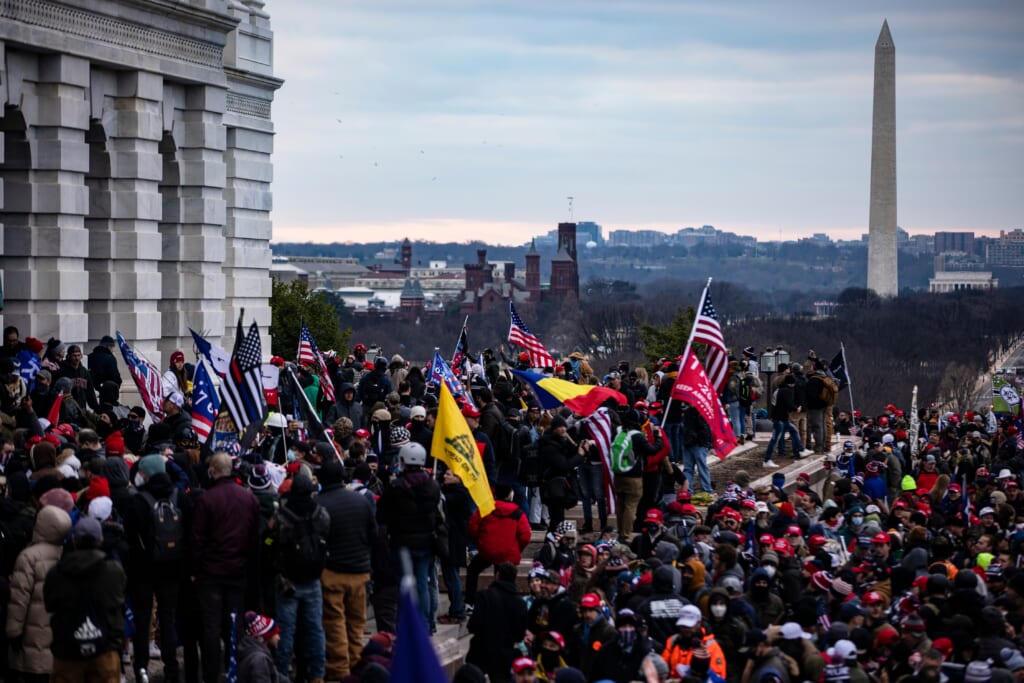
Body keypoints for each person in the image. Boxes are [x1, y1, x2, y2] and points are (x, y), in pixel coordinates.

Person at [190, 452, 261, 683]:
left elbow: (197, 539)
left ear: (213, 470)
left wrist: (195, 569)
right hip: (237, 571)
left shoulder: (206, 499)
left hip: (211, 574)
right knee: (234, 625)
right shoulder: (249, 499)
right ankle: (234, 671)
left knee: (211, 627)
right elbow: (254, 537)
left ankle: (211, 675)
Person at [122, 453, 192, 683]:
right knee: (168, 617)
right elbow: (189, 531)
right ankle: (171, 667)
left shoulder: (138, 500)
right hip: (173, 568)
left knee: (143, 619)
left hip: (143, 571)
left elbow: (130, 537)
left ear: (147, 474)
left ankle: (141, 667)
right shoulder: (179, 496)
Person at [43, 516, 126, 683]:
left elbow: (49, 604)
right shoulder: (113, 571)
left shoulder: (57, 573)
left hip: (67, 651)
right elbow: (118, 602)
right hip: (105, 649)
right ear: (100, 539)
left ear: (74, 540)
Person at [316, 459, 377, 680]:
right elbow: (373, 534)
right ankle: (357, 663)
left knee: (334, 624)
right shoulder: (360, 501)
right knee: (357, 622)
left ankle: (341, 671)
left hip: (332, 572)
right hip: (360, 571)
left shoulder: (320, 503)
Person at [268, 473, 328, 682]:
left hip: (288, 581)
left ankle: (282, 674)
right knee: (315, 629)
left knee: (286, 632)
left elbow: (270, 541)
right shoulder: (320, 513)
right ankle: (317, 674)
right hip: (313, 579)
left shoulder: (283, 515)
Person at [377, 441, 442, 624]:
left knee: (404, 584)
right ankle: (424, 625)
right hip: (426, 542)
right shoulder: (432, 486)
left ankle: (406, 624)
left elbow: (382, 513)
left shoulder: (396, 487)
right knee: (423, 583)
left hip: (402, 542)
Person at [7, 505, 72, 682]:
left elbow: (19, 599)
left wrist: (13, 631)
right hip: (56, 643)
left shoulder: (28, 557)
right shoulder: (65, 555)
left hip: (29, 641)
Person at [465, 483, 531, 608]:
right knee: (505, 576)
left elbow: (473, 526)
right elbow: (525, 535)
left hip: (487, 550)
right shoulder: (517, 512)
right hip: (508, 552)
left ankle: (469, 601)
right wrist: (517, 548)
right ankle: (504, 604)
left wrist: (480, 541)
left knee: (473, 570)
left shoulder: (486, 508)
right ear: (509, 495)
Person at [466, 562, 528, 683]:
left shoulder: (484, 596)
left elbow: (473, 625)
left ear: (497, 575)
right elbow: (520, 634)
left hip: (480, 652)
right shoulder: (520, 603)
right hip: (504, 656)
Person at [538, 415, 583, 533]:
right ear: (554, 429)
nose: (563, 429)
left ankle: (553, 543)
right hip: (553, 487)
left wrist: (577, 449)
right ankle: (550, 544)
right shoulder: (549, 446)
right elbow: (563, 465)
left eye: (564, 426)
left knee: (558, 519)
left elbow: (570, 454)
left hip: (559, 487)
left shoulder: (562, 442)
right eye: (560, 427)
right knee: (556, 520)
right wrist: (579, 456)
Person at [591, 608, 655, 683]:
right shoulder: (606, 650)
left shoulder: (644, 651)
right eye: (623, 626)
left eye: (630, 626)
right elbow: (596, 675)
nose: (627, 630)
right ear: (617, 628)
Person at [237, 611, 282, 683]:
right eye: (276, 634)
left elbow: (274, 675)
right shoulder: (259, 659)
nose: (279, 638)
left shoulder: (254, 652)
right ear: (266, 636)